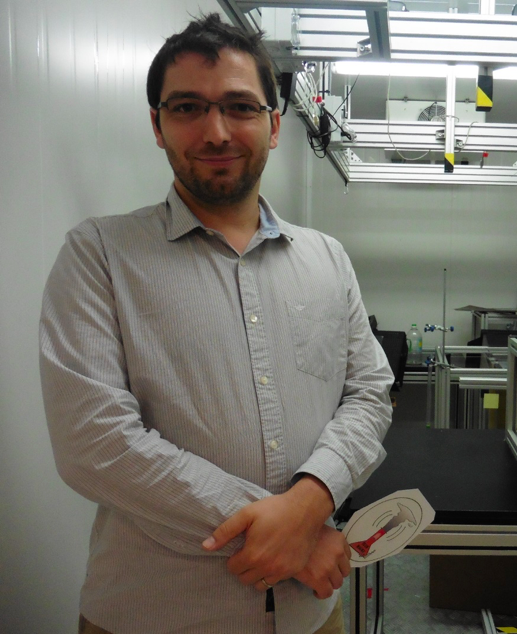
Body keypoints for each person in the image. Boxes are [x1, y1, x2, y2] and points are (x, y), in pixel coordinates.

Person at [39, 13, 393, 634]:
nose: (216, 131)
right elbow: (94, 442)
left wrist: (311, 503)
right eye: (187, 108)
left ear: (275, 124)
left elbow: (368, 394)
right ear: (157, 125)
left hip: (311, 615)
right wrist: (290, 535)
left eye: (240, 107)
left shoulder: (326, 258)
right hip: (153, 615)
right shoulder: (99, 254)